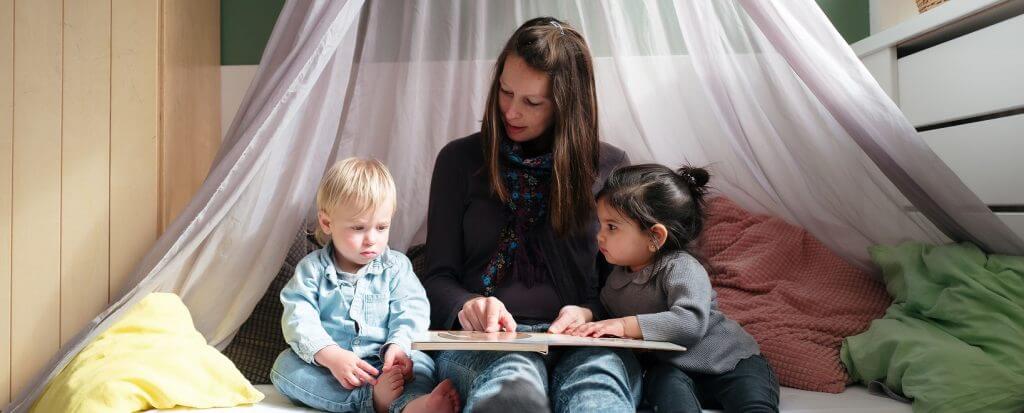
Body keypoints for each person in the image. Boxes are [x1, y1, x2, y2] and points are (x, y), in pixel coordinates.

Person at [421, 17, 640, 413]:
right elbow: (435, 276)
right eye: (505, 92)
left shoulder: (610, 167)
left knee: (598, 393)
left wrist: (589, 311)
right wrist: (467, 304)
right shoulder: (459, 160)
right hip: (490, 342)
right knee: (513, 387)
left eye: (532, 102)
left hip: (583, 340)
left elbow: (624, 285)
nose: (511, 111)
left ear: (566, 104)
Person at [570, 164, 780, 413]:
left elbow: (689, 322)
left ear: (655, 237)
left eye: (612, 227)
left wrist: (624, 326)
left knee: (753, 404)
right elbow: (607, 308)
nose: (599, 236)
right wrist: (583, 313)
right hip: (677, 370)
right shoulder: (618, 275)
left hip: (731, 363)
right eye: (600, 225)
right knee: (663, 388)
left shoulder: (681, 268)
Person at [271, 158, 460, 413]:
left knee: (423, 363)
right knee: (284, 367)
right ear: (327, 224)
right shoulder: (311, 270)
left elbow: (412, 309)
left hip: (387, 364)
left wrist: (399, 346)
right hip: (335, 366)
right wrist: (330, 355)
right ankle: (370, 400)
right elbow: (298, 317)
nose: (372, 239)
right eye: (359, 228)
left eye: (382, 227)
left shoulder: (397, 267)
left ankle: (414, 405)